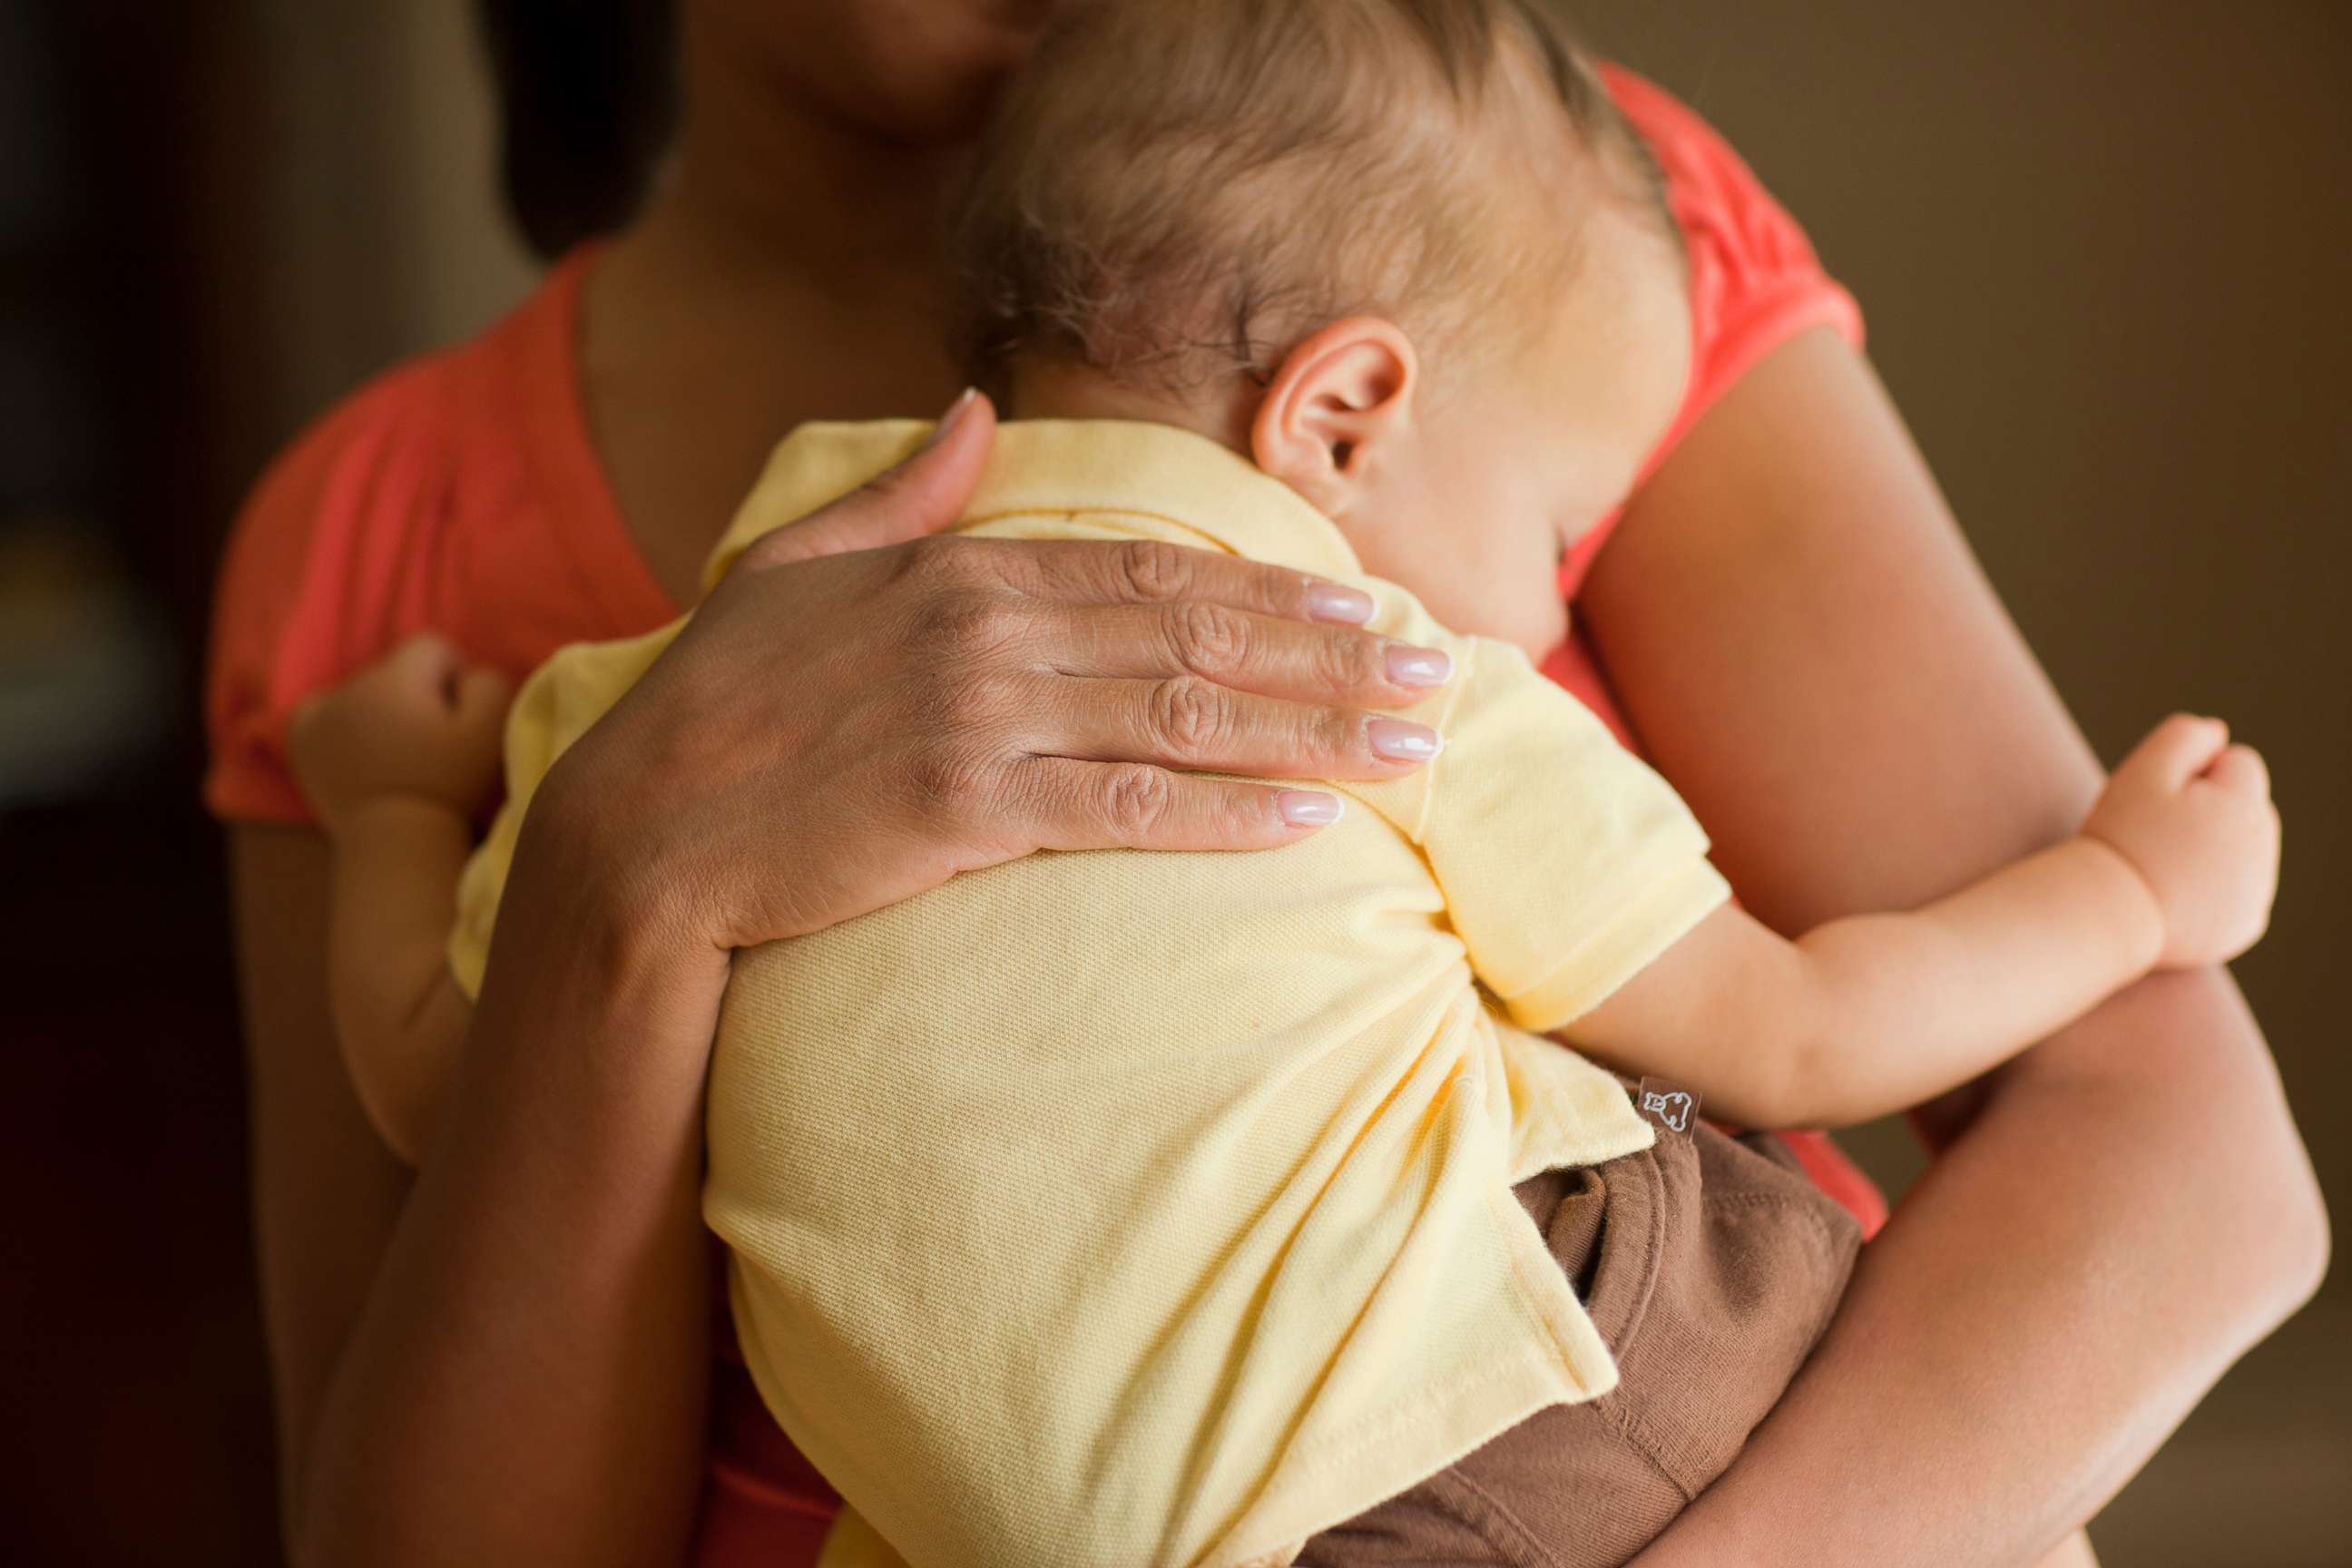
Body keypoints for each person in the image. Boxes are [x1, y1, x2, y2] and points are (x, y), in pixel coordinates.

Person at [206, 1, 2326, 1564]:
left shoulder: (1512, 222)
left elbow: (2179, 1159)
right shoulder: (386, 544)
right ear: (1334, 414)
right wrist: (623, 879)